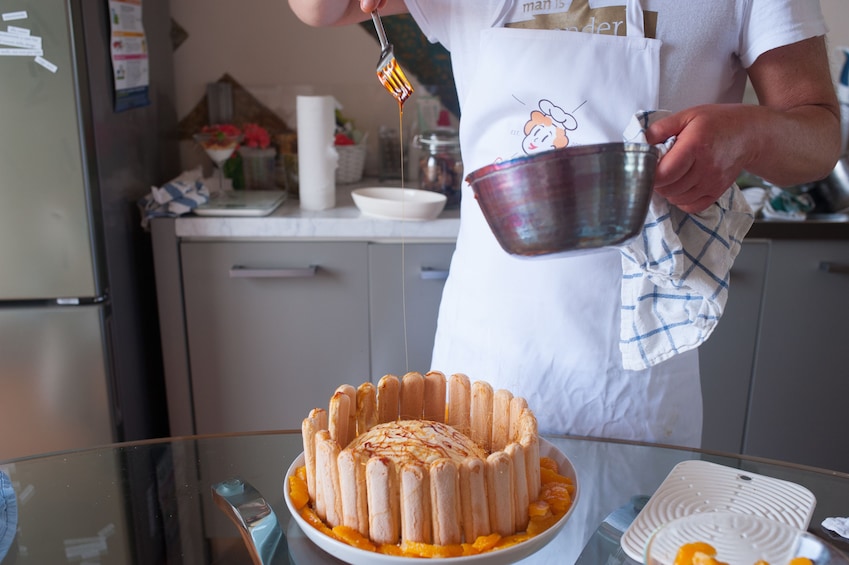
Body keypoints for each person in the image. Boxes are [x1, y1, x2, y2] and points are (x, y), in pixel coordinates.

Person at [288, 0, 841, 449]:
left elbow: (817, 134)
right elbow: (318, 9)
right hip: (482, 366)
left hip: (638, 388)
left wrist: (748, 133)